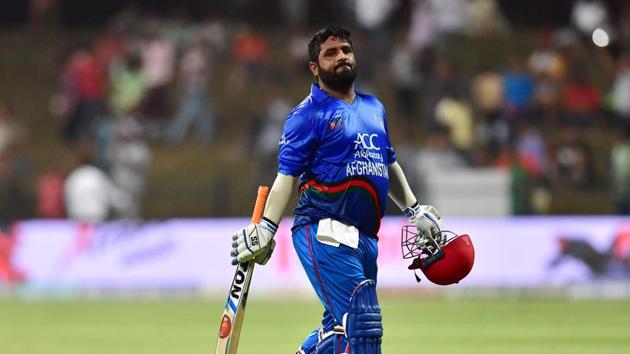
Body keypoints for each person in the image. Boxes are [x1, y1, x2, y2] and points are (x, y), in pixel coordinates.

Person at [230, 26, 445, 354]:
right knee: (363, 326)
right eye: (331, 53)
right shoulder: (306, 116)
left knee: (343, 329)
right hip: (323, 229)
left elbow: (387, 164)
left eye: (346, 49)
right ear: (315, 68)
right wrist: (266, 229)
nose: (341, 56)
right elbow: (286, 177)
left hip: (366, 238)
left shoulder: (374, 108)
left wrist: (414, 209)